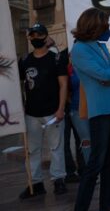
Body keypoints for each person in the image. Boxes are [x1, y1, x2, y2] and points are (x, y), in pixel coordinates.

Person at [71, 8, 110, 211]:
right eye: (105, 25)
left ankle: (106, 204)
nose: (108, 28)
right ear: (95, 26)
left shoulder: (98, 46)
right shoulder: (80, 50)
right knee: (96, 163)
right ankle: (81, 206)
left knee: (109, 162)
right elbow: (107, 74)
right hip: (100, 112)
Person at [18, 23, 69, 198]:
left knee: (56, 148)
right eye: (32, 35)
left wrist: (61, 109)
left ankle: (59, 180)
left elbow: (63, 85)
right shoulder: (24, 61)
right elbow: (17, 84)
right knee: (32, 150)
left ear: (45, 36)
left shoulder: (56, 59)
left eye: (39, 35)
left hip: (53, 112)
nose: (35, 38)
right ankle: (36, 183)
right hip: (31, 113)